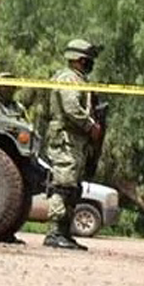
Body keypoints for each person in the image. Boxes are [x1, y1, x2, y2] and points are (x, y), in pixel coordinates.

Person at [43, 38, 103, 250]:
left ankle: (65, 232)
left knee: (73, 188)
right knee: (63, 185)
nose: (90, 63)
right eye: (88, 59)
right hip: (66, 140)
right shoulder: (68, 78)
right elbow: (71, 108)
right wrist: (90, 126)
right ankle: (54, 232)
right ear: (79, 59)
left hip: (75, 141)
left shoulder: (78, 79)